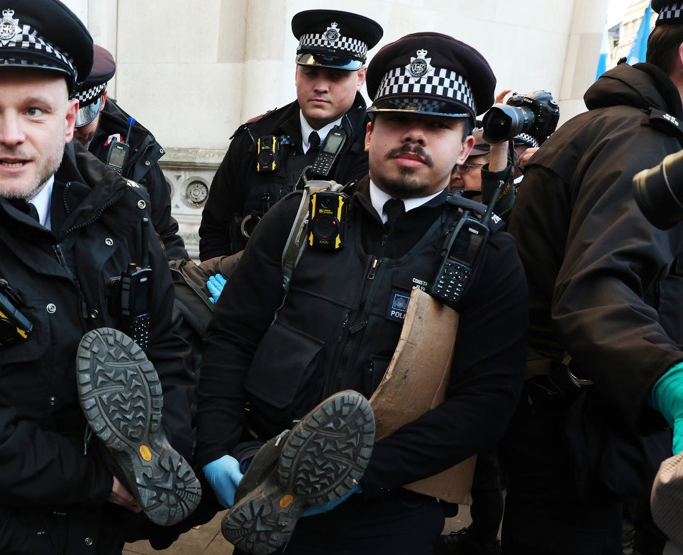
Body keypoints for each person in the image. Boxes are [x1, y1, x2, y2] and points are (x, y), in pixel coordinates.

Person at [0, 1, 200, 553]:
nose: (11, 134)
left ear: (69, 120)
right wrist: (102, 480)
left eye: (34, 110)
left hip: (95, 530)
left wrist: (163, 455)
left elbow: (167, 347)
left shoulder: (123, 209)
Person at [196, 32, 528, 555]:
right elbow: (232, 336)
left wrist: (355, 474)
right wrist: (217, 445)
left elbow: (487, 401)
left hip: (389, 512)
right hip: (266, 486)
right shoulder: (296, 218)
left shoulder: (488, 254)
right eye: (398, 120)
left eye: (438, 126)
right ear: (370, 132)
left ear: (466, 147)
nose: (414, 136)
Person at [499, 1, 683, 553]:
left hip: (574, 429)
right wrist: (673, 383)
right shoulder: (643, 141)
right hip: (582, 438)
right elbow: (596, 290)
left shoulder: (616, 128)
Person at [198, 9, 383, 259]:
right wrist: (222, 275)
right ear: (297, 73)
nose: (321, 86)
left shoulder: (378, 148)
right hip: (246, 280)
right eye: (311, 73)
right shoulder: (254, 137)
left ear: (360, 77)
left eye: (336, 76)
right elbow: (215, 228)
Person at [72, 44, 188, 261]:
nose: (72, 128)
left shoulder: (137, 150)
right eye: (64, 116)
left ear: (102, 100)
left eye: (81, 117)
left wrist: (177, 275)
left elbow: (164, 232)